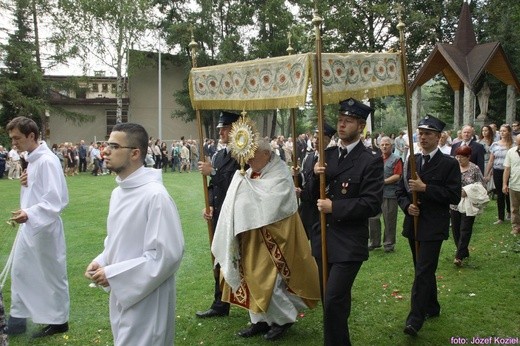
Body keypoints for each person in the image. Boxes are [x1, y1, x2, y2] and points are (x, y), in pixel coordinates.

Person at [85, 123, 184, 346]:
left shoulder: (155, 197)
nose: (105, 151)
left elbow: (166, 256)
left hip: (148, 298)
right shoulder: (118, 193)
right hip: (123, 291)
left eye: (113, 146)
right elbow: (118, 239)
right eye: (105, 144)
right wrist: (101, 261)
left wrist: (114, 273)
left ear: (135, 153)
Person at [212, 138, 320, 341]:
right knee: (248, 278)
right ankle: (259, 321)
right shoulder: (249, 172)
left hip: (274, 237)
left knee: (266, 280)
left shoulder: (280, 174)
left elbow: (273, 203)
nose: (249, 159)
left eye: (253, 155)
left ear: (266, 154)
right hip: (250, 236)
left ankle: (283, 319)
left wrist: (247, 192)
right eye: (247, 155)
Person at [311, 98, 384, 345]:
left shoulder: (370, 159)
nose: (342, 125)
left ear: (361, 126)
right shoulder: (327, 155)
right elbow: (312, 197)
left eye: (348, 121)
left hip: (349, 242)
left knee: (333, 299)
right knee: (331, 300)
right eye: (340, 120)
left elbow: (372, 203)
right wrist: (314, 176)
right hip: (324, 239)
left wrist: (336, 207)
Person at [396, 114, 461, 337]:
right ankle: (432, 306)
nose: (423, 137)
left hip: (433, 226)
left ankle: (415, 319)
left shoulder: (449, 163)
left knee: (423, 271)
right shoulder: (411, 160)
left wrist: (426, 189)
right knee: (422, 268)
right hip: (413, 224)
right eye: (421, 133)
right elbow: (401, 192)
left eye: (428, 134)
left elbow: (454, 196)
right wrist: (407, 207)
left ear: (438, 137)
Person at [5, 116, 70, 338]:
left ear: (31, 136)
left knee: (52, 274)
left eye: (17, 138)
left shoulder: (47, 161)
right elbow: (37, 190)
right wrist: (27, 182)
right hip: (29, 226)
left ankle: (59, 320)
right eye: (12, 138)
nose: (14, 143)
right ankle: (18, 318)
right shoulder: (33, 160)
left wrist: (29, 213)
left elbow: (56, 199)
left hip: (45, 228)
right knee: (21, 269)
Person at [196, 111, 242, 318]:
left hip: (236, 216)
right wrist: (210, 206)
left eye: (225, 128)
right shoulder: (219, 155)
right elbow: (214, 187)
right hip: (219, 215)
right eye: (220, 128)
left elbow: (237, 182)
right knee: (218, 258)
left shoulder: (242, 155)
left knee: (240, 259)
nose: (221, 132)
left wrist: (213, 172)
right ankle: (220, 303)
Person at [293, 122, 336, 238]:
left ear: (328, 140)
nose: (316, 141)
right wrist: (296, 176)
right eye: (315, 137)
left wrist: (303, 192)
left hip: (320, 209)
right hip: (306, 208)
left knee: (319, 246)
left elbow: (318, 187)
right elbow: (304, 181)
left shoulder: (332, 158)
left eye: (320, 138)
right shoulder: (309, 157)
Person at [450, 146, 487, 266]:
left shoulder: (474, 169)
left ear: (468, 157)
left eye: (462, 157)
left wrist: (468, 191)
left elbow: (481, 185)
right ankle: (463, 251)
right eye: (457, 157)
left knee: (465, 229)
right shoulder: (453, 167)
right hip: (455, 203)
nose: (459, 159)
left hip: (469, 203)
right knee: (456, 230)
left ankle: (459, 256)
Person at [368, 136, 403, 252]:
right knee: (372, 218)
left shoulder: (396, 159)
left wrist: (382, 182)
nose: (384, 146)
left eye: (387, 144)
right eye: (382, 144)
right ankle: (374, 242)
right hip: (376, 194)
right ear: (379, 146)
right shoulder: (376, 158)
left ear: (391, 146)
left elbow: (397, 176)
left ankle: (389, 244)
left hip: (390, 194)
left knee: (389, 220)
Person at [485, 124, 513, 224]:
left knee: (508, 192)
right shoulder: (495, 145)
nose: (502, 133)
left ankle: (510, 212)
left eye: (504, 131)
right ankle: (500, 217)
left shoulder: (513, 144)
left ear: (509, 132)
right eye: (501, 131)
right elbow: (491, 160)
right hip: (497, 170)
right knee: (499, 193)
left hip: (510, 171)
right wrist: (487, 174)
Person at [503, 134, 520, 235]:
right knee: (514, 208)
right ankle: (515, 227)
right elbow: (507, 169)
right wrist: (504, 184)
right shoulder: (511, 152)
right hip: (514, 184)